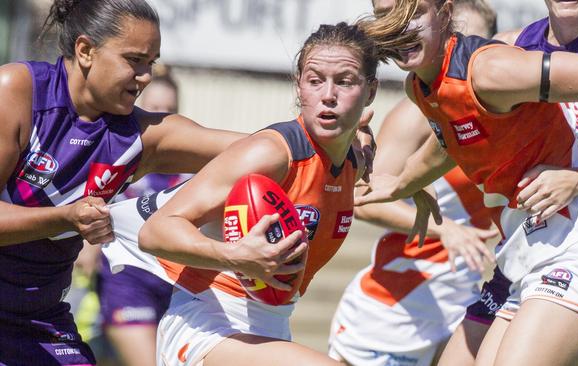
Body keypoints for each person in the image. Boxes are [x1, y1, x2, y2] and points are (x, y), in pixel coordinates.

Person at [0, 0, 297, 364]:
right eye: (134, 60)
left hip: (39, 317)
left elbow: (266, 149)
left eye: (150, 63)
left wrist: (334, 142)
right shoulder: (19, 90)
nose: (145, 76)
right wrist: (66, 217)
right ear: (86, 50)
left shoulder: (143, 137)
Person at [355, 0, 578, 364]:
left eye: (413, 13)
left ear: (445, 13)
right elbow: (449, 138)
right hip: (527, 254)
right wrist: (402, 183)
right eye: (387, 16)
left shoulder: (492, 67)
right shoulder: (423, 87)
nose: (399, 26)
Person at [104, 21, 381, 366]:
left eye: (344, 81)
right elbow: (156, 230)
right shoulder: (271, 153)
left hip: (269, 328)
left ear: (370, 91)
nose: (328, 94)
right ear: (299, 86)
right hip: (206, 325)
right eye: (315, 80)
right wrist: (235, 255)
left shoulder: (353, 159)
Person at [328, 2, 498, 365]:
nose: (461, 52)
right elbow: (362, 198)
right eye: (456, 39)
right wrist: (446, 229)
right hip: (393, 310)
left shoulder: (494, 106)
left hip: (459, 299)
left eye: (472, 41)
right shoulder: (416, 113)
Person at [96, 65, 187, 366]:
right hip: (127, 283)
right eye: (154, 108)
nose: (161, 116)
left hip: (176, 287)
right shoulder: (117, 160)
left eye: (169, 110)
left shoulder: (192, 172)